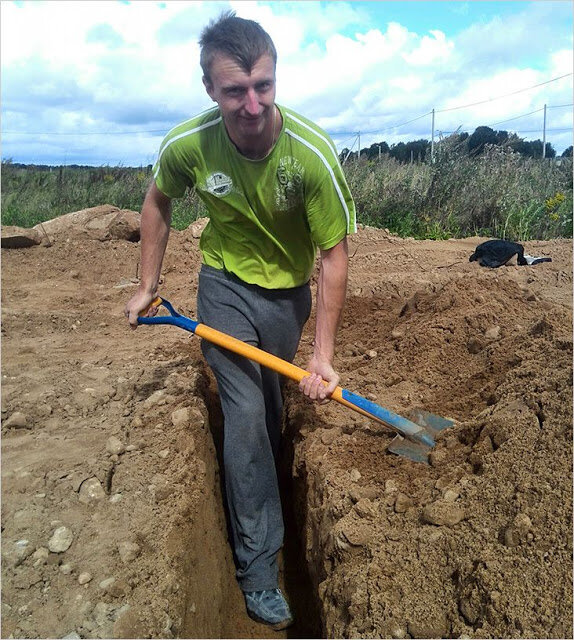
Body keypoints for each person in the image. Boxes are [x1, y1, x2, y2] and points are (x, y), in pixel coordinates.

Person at [125, 10, 356, 631]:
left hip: (286, 297)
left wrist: (322, 355)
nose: (252, 105)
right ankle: (257, 565)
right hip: (222, 286)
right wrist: (148, 285)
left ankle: (274, 480)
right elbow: (158, 199)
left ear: (275, 78)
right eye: (234, 91)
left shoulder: (311, 156)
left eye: (263, 86)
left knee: (270, 403)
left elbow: (333, 258)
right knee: (246, 414)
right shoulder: (188, 144)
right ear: (210, 89)